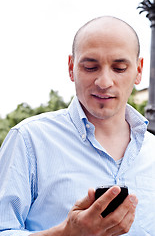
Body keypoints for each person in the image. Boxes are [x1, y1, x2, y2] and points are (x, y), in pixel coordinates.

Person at [0, 16, 155, 236]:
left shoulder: (153, 152)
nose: (104, 82)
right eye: (91, 67)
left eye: (119, 68)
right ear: (72, 68)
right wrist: (66, 233)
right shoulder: (28, 140)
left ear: (139, 70)